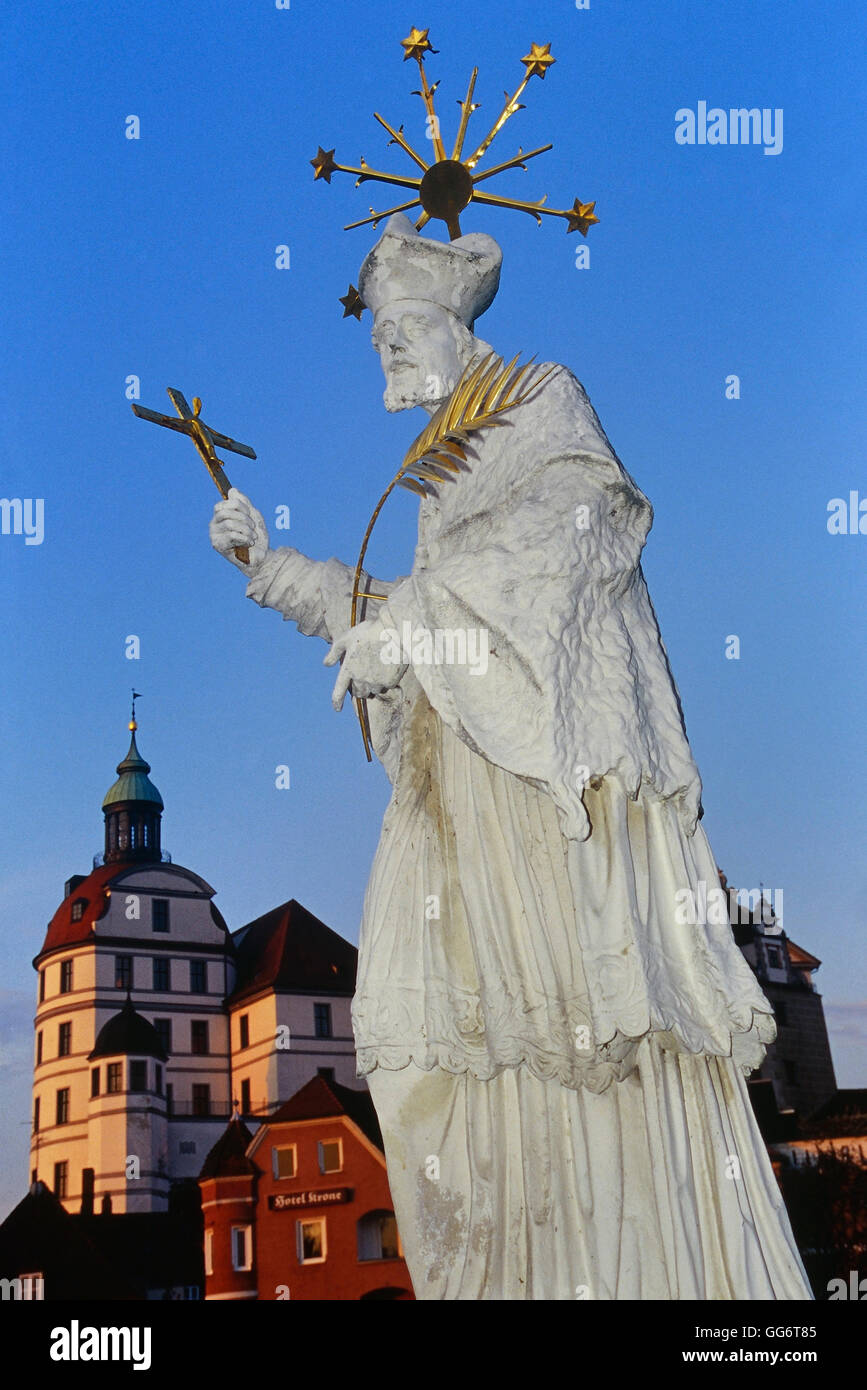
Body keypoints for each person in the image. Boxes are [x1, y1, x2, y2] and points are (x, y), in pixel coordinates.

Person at [210, 214, 811, 1300]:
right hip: (465, 785)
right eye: (378, 337)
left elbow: (578, 533)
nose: (386, 352)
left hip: (538, 791)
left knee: (571, 1041)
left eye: (398, 329)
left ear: (449, 315)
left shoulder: (542, 399)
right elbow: (409, 617)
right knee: (438, 1052)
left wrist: (418, 622)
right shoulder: (443, 467)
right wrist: (271, 565)